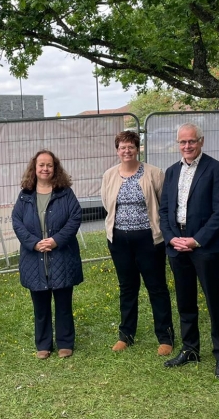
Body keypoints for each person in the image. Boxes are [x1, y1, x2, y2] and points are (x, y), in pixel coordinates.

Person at [159, 123, 219, 379]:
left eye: (191, 141)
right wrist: (172, 239)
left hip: (205, 247)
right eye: (182, 142)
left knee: (215, 301)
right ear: (177, 144)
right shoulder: (171, 172)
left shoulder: (216, 169)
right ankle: (190, 348)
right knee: (185, 301)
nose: (187, 146)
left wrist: (196, 240)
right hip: (177, 246)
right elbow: (165, 211)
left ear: (201, 141)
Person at [100, 130, 174, 356]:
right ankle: (126, 335)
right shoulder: (109, 175)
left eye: (131, 146)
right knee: (127, 287)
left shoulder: (154, 173)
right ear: (117, 150)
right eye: (122, 147)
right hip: (119, 239)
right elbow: (107, 202)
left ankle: (165, 337)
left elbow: (163, 204)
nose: (127, 151)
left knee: (157, 287)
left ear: (137, 148)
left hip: (149, 239)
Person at [12, 150, 83, 359]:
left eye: (49, 165)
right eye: (41, 165)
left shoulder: (65, 192)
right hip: (34, 258)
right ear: (34, 168)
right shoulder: (25, 194)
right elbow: (16, 221)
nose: (45, 169)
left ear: (55, 168)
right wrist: (33, 243)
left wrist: (56, 240)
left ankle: (65, 343)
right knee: (40, 305)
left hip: (61, 256)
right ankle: (43, 344)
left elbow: (75, 217)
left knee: (63, 303)